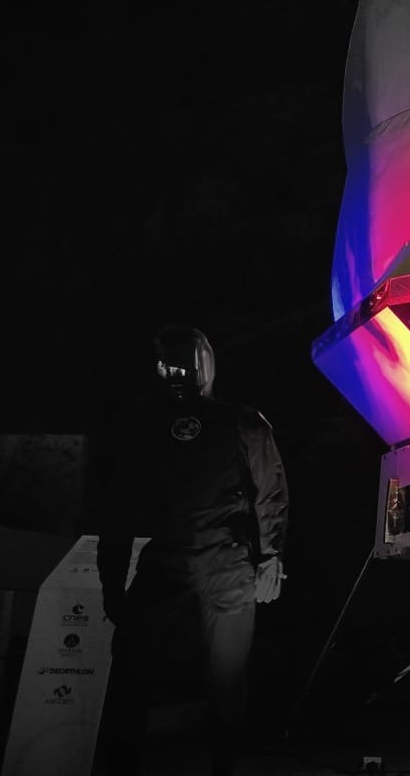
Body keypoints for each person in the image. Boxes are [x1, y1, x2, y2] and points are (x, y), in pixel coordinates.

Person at [96, 325, 289, 776]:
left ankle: (222, 766)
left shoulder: (243, 422)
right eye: (165, 366)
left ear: (203, 365)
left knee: (226, 680)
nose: (174, 374)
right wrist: (112, 581)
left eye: (181, 365)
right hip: (168, 561)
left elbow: (271, 491)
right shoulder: (144, 427)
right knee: (130, 669)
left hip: (227, 564)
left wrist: (271, 558)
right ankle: (119, 764)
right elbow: (119, 508)